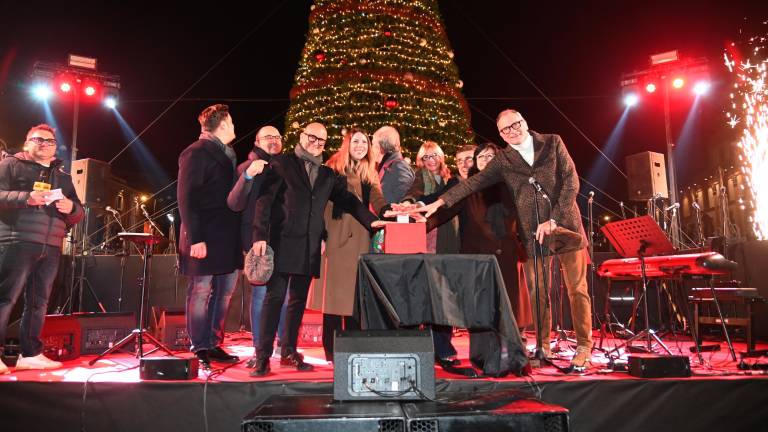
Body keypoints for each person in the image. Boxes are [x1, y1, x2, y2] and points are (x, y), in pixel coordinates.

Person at [416, 109, 592, 370]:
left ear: (525, 121)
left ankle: (583, 347)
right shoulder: (504, 159)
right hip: (533, 234)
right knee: (538, 292)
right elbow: (472, 184)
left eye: (515, 124)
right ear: (500, 134)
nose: (512, 131)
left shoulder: (552, 142)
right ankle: (543, 347)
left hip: (565, 225)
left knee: (576, 289)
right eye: (505, 130)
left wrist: (554, 218)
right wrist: (441, 201)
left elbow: (570, 182)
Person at [249, 122, 386, 376]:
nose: (316, 143)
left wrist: (372, 221)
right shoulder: (282, 163)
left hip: (308, 247)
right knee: (275, 298)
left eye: (322, 141)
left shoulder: (327, 175)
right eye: (312, 137)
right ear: (302, 136)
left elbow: (349, 201)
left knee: (297, 302)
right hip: (281, 242)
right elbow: (264, 202)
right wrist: (259, 236)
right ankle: (263, 356)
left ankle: (289, 351)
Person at [178, 104, 258, 368]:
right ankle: (199, 345)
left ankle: (213, 343)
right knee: (201, 291)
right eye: (232, 122)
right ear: (222, 124)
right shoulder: (196, 152)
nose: (234, 127)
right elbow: (186, 197)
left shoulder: (228, 154)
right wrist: (196, 237)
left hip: (227, 236)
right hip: (205, 235)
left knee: (224, 292)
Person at [0, 124, 84, 373]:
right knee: (5, 298)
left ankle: (31, 352)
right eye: (39, 139)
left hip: (51, 245)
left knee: (39, 302)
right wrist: (26, 198)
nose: (45, 144)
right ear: (27, 142)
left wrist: (71, 208)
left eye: (50, 141)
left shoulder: (64, 176)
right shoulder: (10, 165)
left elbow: (79, 211)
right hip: (17, 240)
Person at [428, 143, 532, 335]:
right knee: (482, 313)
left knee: (511, 309)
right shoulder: (467, 188)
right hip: (478, 259)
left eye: (490, 156)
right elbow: (443, 212)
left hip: (507, 256)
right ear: (476, 162)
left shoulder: (512, 185)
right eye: (481, 156)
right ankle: (484, 357)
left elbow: (526, 216)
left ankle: (513, 352)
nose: (485, 159)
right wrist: (416, 223)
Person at [307, 128, 388, 361]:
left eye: (365, 141)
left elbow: (377, 198)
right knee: (333, 295)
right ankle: (332, 350)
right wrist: (321, 236)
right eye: (356, 141)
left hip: (361, 237)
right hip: (337, 235)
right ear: (347, 144)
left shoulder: (369, 171)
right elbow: (323, 205)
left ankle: (353, 346)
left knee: (355, 295)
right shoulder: (333, 168)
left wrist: (387, 211)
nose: (360, 145)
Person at [226, 125, 290, 366]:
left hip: (283, 240)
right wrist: (248, 176)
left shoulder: (286, 167)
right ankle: (259, 349)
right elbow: (235, 203)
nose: (273, 140)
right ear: (257, 141)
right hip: (257, 241)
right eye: (268, 137)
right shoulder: (248, 167)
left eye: (277, 137)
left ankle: (285, 346)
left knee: (283, 296)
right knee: (261, 294)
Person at [400, 140, 460, 367]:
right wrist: (408, 204)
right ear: (421, 161)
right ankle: (428, 346)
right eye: (426, 157)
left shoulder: (450, 179)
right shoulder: (419, 177)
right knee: (424, 293)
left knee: (444, 296)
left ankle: (443, 345)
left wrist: (418, 204)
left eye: (434, 155)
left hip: (447, 241)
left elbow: (446, 198)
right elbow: (412, 194)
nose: (431, 161)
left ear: (441, 156)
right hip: (425, 240)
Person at [371, 126, 414, 204]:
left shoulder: (399, 167)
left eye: (373, 144)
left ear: (379, 148)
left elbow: (405, 197)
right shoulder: (388, 165)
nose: (371, 148)